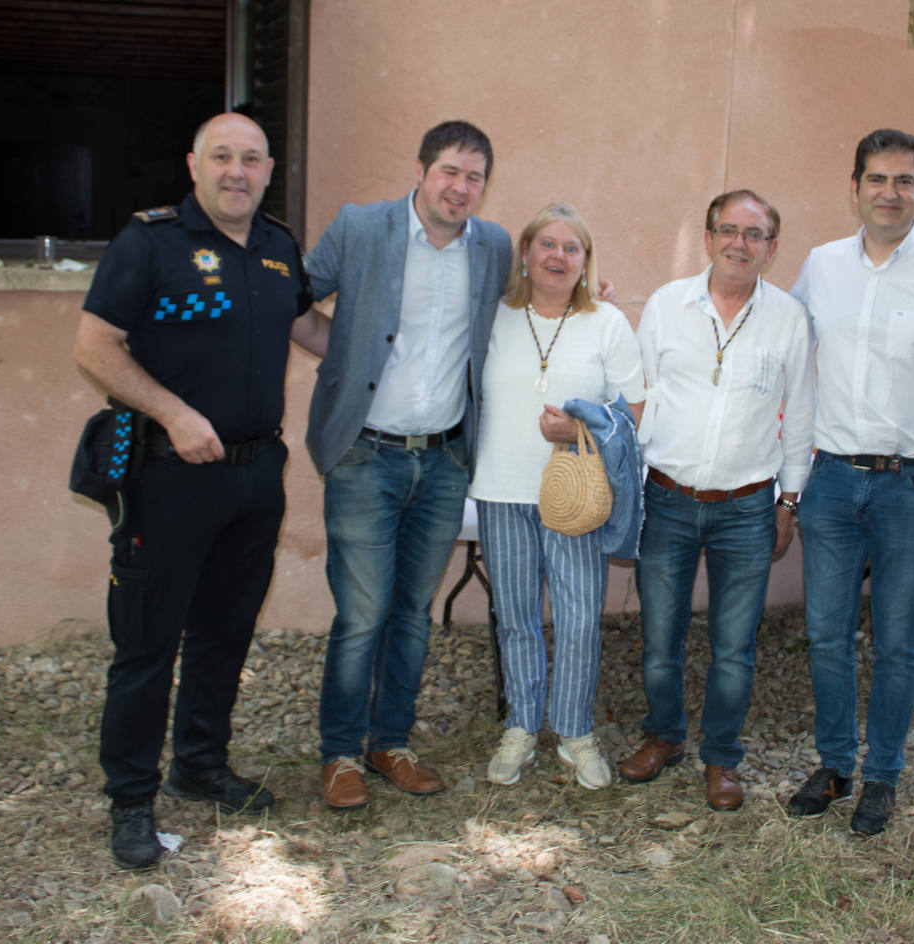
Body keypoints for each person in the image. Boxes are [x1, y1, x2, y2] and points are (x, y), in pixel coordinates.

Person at [72, 113, 329, 868]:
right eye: (222, 157)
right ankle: (130, 799)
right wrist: (174, 412)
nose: (236, 172)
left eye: (251, 159)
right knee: (147, 642)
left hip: (256, 474)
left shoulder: (280, 248)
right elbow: (94, 347)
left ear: (269, 169)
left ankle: (200, 764)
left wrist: (406, 349)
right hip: (168, 475)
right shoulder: (148, 243)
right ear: (194, 164)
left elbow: (310, 329)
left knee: (225, 631)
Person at [304, 121, 512, 810]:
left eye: (475, 177)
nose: (461, 187)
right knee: (362, 613)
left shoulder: (493, 247)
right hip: (366, 455)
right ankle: (340, 753)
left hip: (446, 459)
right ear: (423, 170)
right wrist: (344, 356)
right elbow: (291, 300)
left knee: (414, 613)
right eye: (450, 171)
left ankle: (390, 741)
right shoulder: (362, 229)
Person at [784, 129, 914, 836]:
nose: (889, 193)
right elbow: (782, 340)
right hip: (833, 481)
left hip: (913, 486)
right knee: (826, 634)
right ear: (856, 187)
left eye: (904, 181)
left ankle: (883, 777)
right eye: (877, 180)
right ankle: (836, 764)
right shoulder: (821, 265)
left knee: (898, 639)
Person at [616, 190, 815, 811]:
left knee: (734, 647)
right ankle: (664, 736)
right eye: (728, 230)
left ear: (771, 248)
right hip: (668, 500)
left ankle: (722, 757)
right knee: (659, 638)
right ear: (708, 238)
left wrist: (791, 501)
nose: (740, 243)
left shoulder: (789, 319)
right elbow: (636, 398)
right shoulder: (667, 306)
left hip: (748, 507)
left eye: (754, 235)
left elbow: (802, 417)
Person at [471, 204, 645, 790]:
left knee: (577, 621)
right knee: (516, 617)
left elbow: (636, 410)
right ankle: (521, 726)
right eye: (547, 244)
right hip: (501, 489)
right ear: (525, 253)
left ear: (586, 261)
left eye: (572, 248)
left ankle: (573, 731)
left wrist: (580, 433)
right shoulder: (492, 316)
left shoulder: (608, 324)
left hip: (577, 497)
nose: (558, 256)